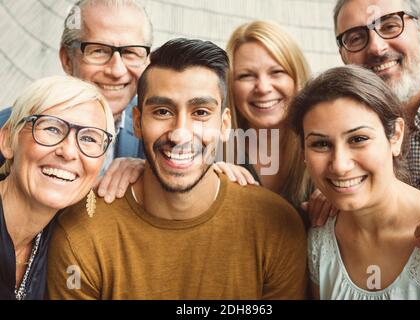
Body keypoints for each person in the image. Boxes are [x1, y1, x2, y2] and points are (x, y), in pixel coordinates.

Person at [46, 38, 307, 300]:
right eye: (162, 111)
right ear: (137, 122)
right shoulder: (82, 231)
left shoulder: (277, 225)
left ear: (224, 124)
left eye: (201, 112)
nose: (180, 134)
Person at [291, 65, 420, 299]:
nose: (340, 165)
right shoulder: (319, 237)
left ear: (395, 136)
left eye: (358, 139)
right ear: (304, 151)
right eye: (321, 144)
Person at [330, 0, 420, 265]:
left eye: (390, 25)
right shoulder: (339, 126)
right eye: (356, 37)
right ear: (344, 58)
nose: (376, 47)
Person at [0, 0, 152, 202]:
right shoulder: (10, 127)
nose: (117, 71)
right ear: (67, 59)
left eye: (131, 52)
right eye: (99, 50)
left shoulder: (155, 130)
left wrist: (150, 173)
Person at [0, 75, 115, 300]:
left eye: (90, 139)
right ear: (7, 140)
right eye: (52, 128)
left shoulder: (64, 240)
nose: (69, 152)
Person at [221, 20, 319, 218]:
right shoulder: (212, 152)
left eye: (277, 72)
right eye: (246, 76)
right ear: (230, 86)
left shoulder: (325, 148)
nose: (263, 88)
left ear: (297, 76)